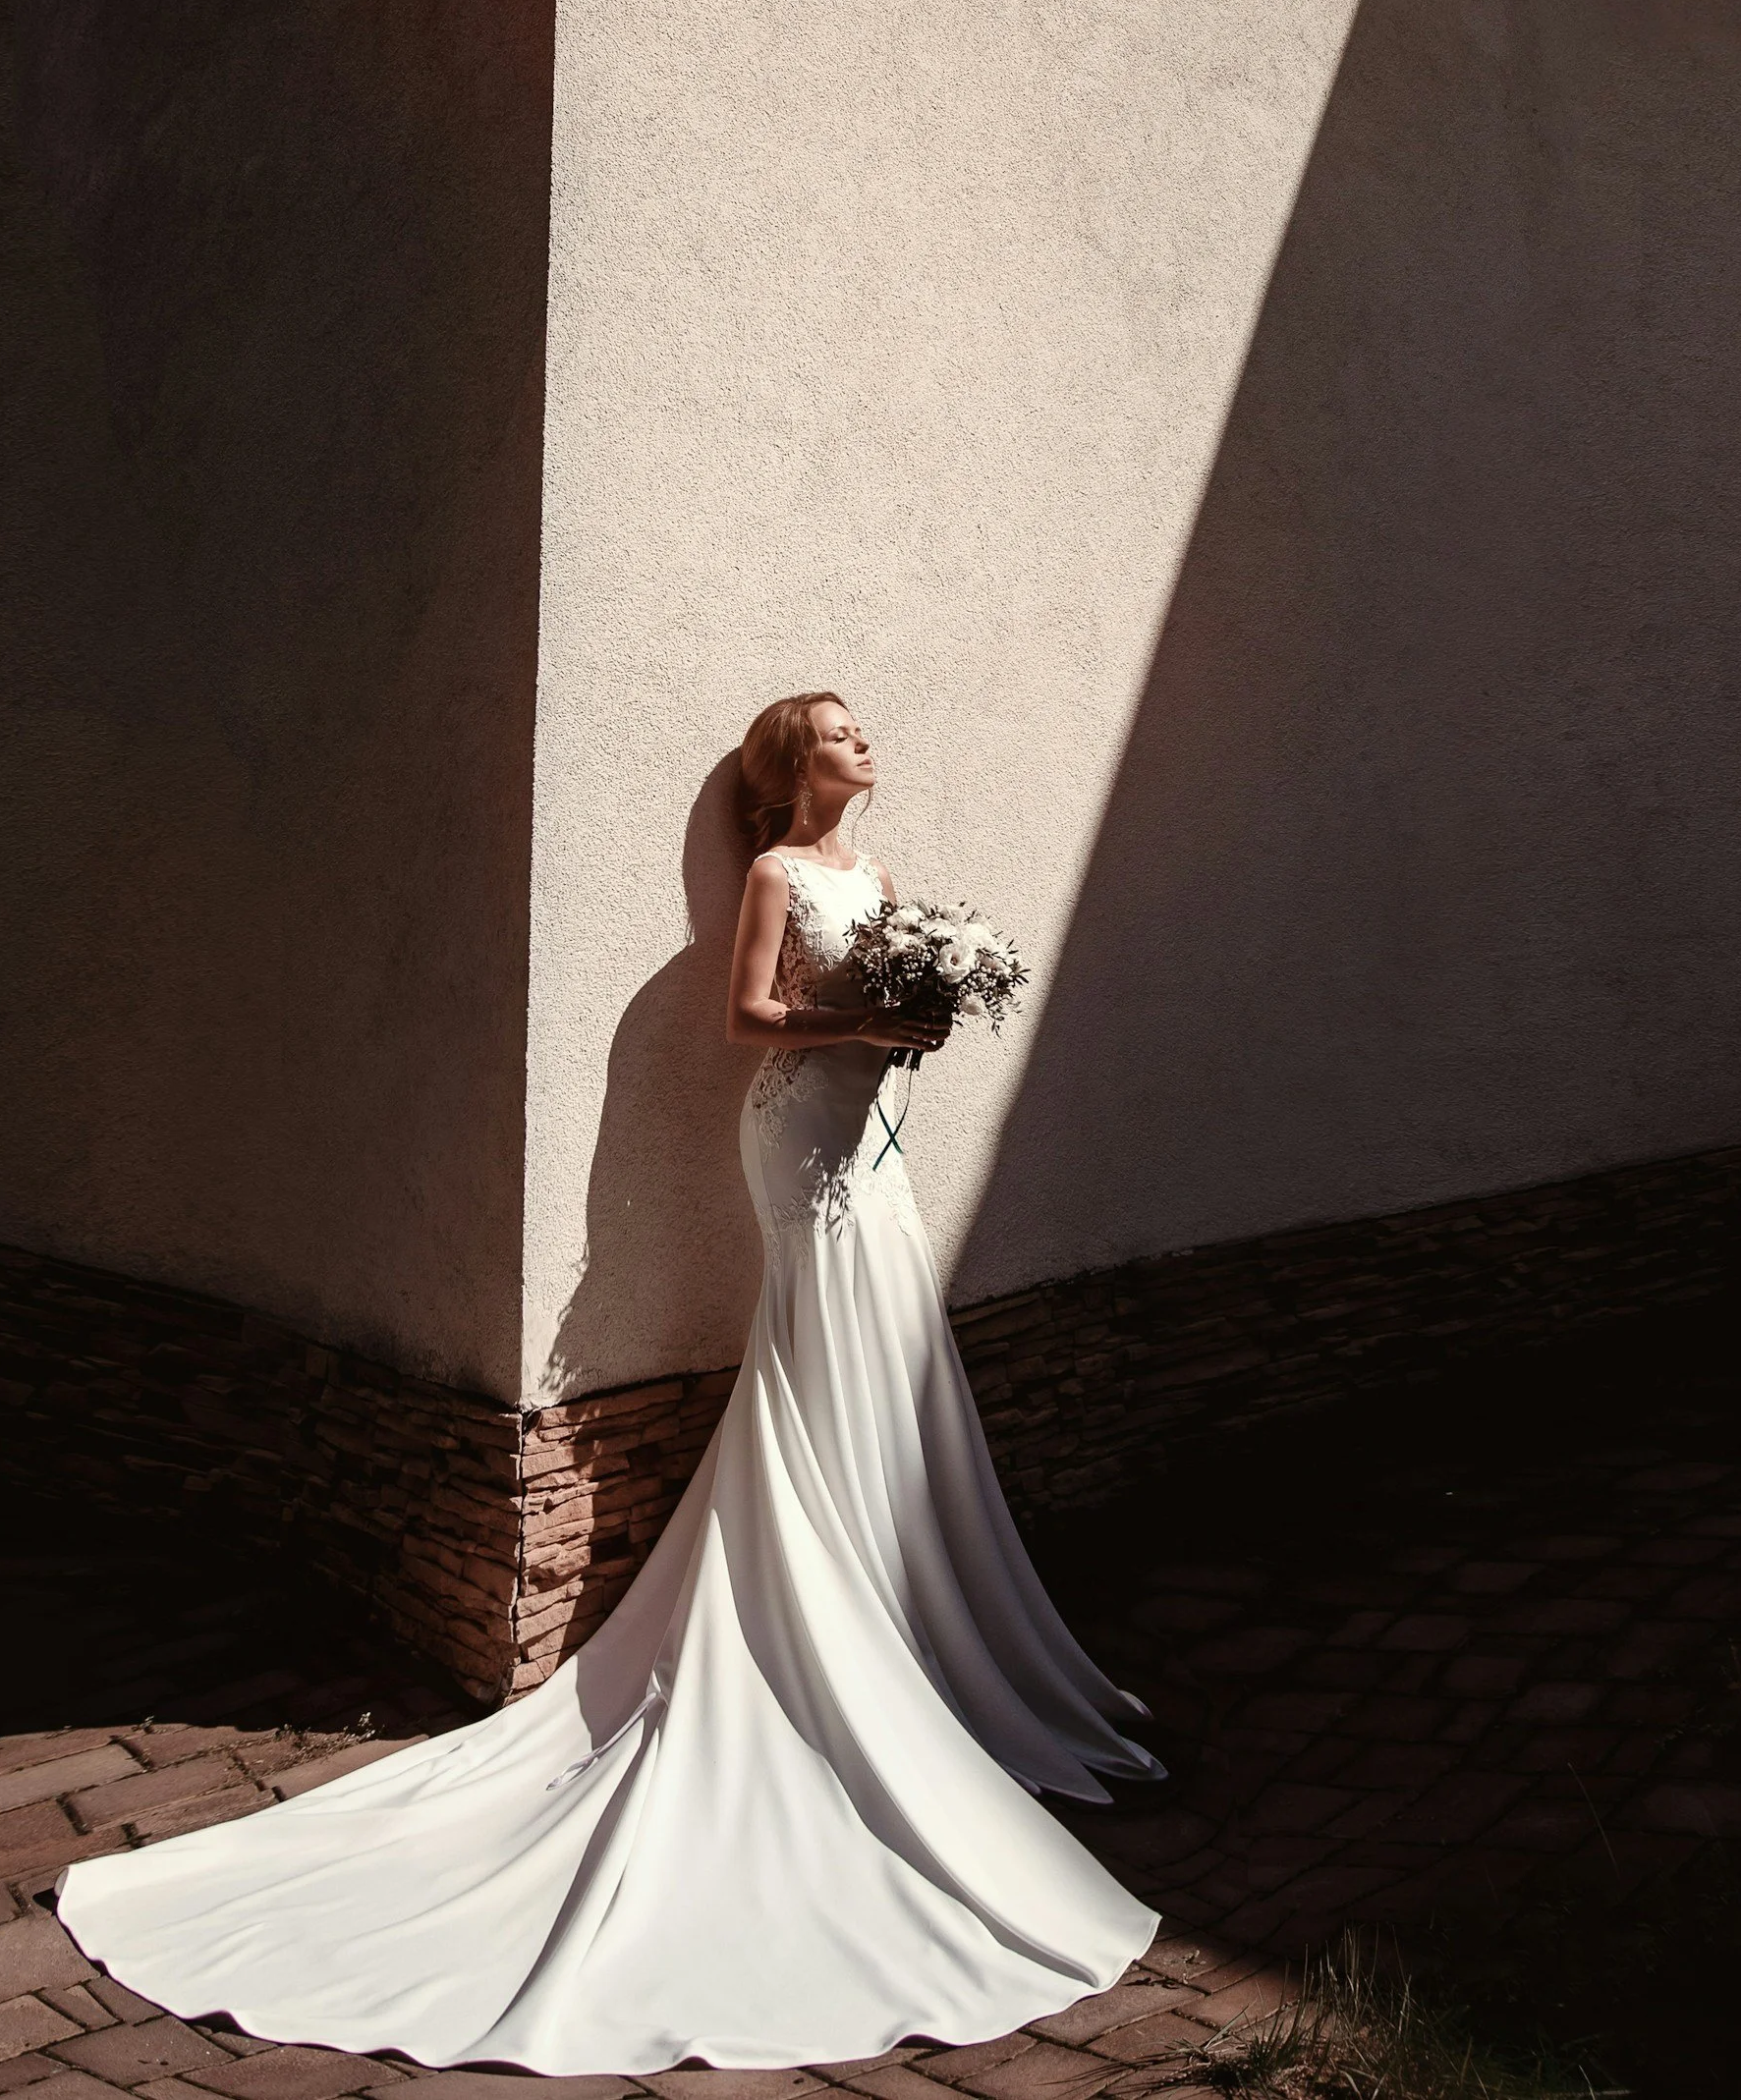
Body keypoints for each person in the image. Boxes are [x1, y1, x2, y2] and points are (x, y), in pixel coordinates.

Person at [57, 690, 1164, 2073]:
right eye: (839, 731)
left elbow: (868, 1002)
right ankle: (819, 1618)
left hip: (870, 1137)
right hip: (799, 1141)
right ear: (794, 764)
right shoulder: (775, 873)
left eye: (862, 728)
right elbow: (750, 1018)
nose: (864, 741)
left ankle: (902, 1600)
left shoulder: (874, 874)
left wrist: (909, 1020)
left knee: (884, 1342)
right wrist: (862, 1021)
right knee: (819, 1337)